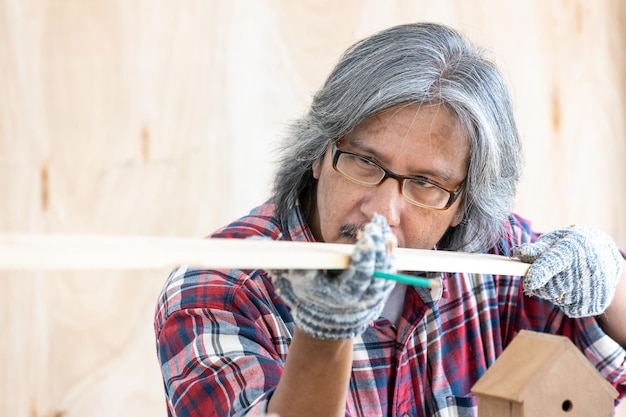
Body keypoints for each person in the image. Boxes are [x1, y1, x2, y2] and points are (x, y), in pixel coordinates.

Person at [154, 22, 626, 417]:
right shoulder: (216, 288)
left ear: (463, 203)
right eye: (364, 162)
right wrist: (323, 337)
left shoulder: (499, 261)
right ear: (317, 153)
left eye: (426, 184)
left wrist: (612, 285)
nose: (381, 212)